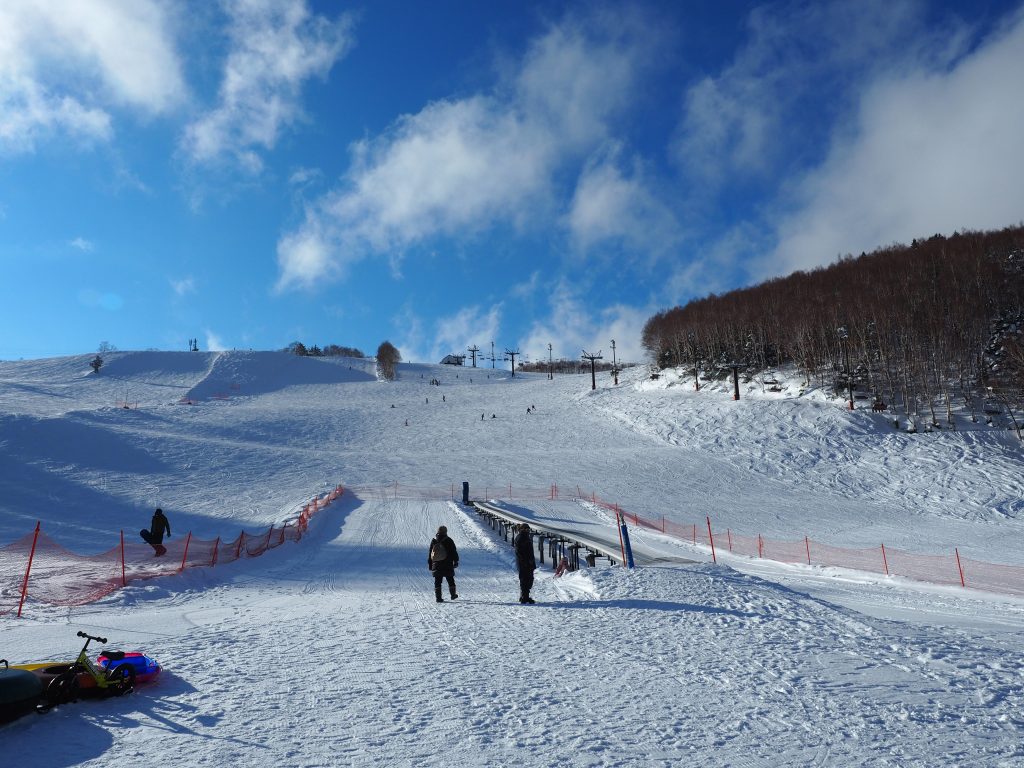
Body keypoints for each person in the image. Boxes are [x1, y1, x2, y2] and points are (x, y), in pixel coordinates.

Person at [428, 525, 459, 602]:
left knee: (437, 581)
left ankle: (438, 598)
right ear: (446, 532)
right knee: (450, 579)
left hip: (436, 564)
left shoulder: (434, 541)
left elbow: (430, 554)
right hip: (447, 563)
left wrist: (430, 564)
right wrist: (456, 561)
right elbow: (453, 552)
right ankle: (453, 595)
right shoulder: (449, 540)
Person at [514, 523, 536, 603]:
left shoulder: (526, 537)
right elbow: (519, 552)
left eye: (528, 529)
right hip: (524, 563)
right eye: (526, 529)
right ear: (522, 529)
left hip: (528, 563)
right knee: (525, 579)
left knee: (529, 580)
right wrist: (525, 561)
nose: (528, 531)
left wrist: (532, 563)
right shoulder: (520, 538)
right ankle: (524, 597)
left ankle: (524, 596)